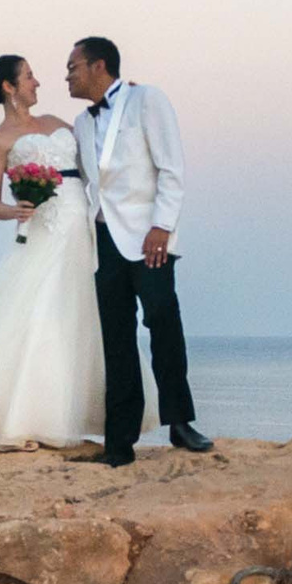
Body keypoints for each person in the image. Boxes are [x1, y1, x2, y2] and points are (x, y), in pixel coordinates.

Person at [0, 53, 107, 448]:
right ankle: (31, 419)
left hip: (81, 227)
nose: (37, 82)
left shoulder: (57, 123)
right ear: (10, 87)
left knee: (83, 315)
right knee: (45, 314)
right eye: (29, 76)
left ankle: (85, 411)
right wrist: (16, 209)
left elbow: (94, 158)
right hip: (43, 231)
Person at [66, 36, 213, 465]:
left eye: (73, 67)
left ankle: (180, 423)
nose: (67, 76)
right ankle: (119, 443)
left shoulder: (148, 99)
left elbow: (171, 168)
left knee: (163, 322)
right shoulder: (81, 122)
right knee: (116, 340)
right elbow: (83, 180)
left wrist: (162, 226)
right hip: (103, 240)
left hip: (150, 237)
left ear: (98, 66)